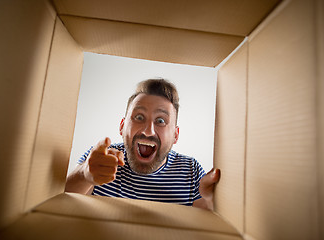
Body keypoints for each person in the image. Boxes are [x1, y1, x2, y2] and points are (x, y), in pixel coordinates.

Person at [65, 78, 220, 210]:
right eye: (139, 117)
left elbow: (204, 227)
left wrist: (210, 201)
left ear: (175, 135)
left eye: (160, 121)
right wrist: (84, 174)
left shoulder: (191, 171)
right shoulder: (101, 159)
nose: (148, 131)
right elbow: (60, 204)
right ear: (122, 126)